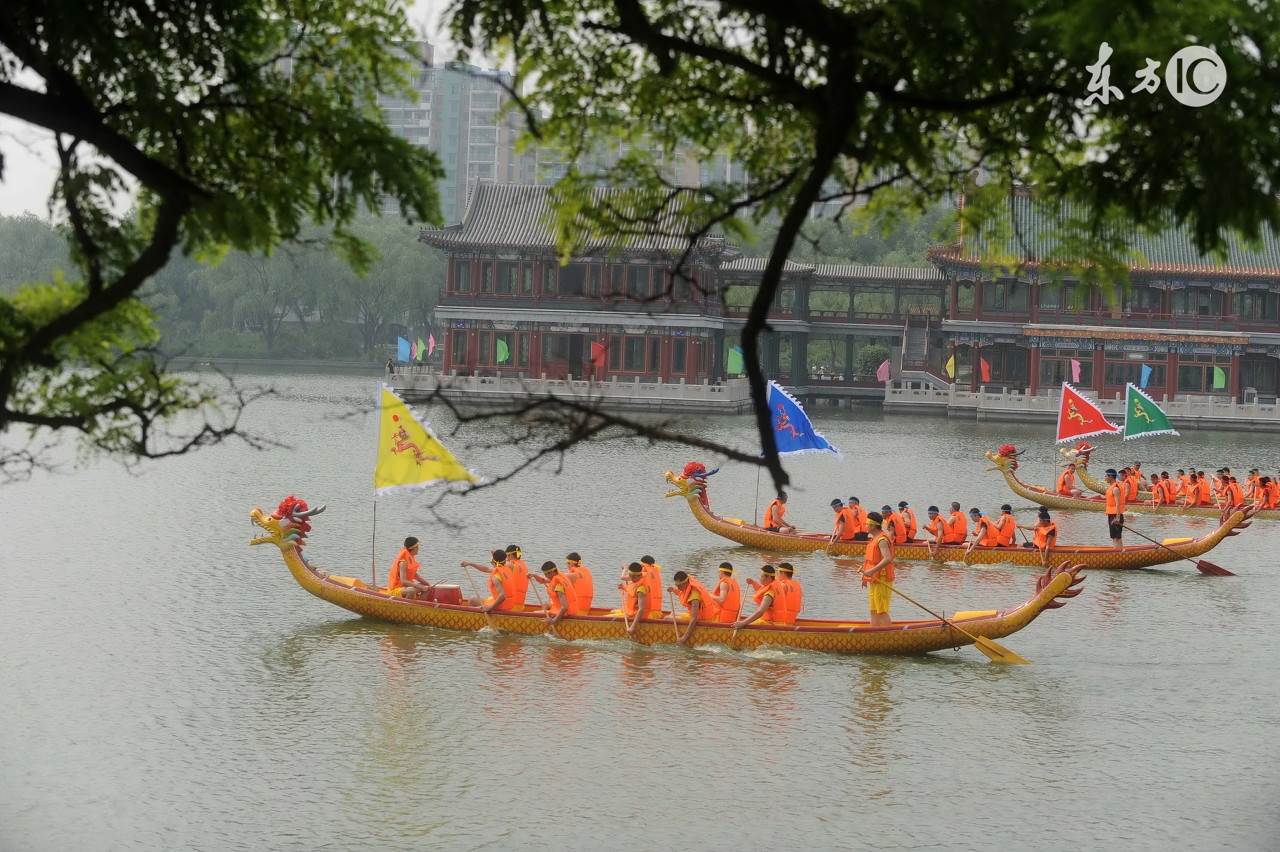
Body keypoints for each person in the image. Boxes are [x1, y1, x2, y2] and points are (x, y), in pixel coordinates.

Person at [861, 512, 895, 628]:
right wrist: (865, 578)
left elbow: (887, 559)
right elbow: (868, 561)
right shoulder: (874, 539)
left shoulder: (882, 540)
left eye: (867, 524)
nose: (865, 526)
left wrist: (871, 571)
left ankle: (890, 635)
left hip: (882, 579)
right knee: (873, 610)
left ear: (872, 526)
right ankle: (873, 633)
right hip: (873, 579)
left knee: (881, 611)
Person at [667, 570, 720, 644]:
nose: (678, 588)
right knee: (672, 613)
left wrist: (684, 637)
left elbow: (694, 619)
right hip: (697, 615)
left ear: (685, 583)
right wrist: (673, 590)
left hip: (701, 619)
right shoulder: (688, 583)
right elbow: (682, 593)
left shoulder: (694, 596)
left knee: (666, 618)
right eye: (676, 585)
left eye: (679, 586)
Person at [532, 561, 580, 625]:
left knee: (534, 614)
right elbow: (542, 580)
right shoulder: (560, 576)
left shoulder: (558, 585)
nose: (545, 576)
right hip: (567, 610)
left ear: (551, 572)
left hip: (565, 613)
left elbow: (565, 607)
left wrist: (554, 620)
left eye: (546, 574)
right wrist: (533, 575)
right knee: (545, 605)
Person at [733, 564, 779, 629]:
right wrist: (753, 583)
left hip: (769, 622)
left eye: (762, 577)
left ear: (769, 578)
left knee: (745, 626)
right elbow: (761, 590)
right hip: (769, 620)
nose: (759, 578)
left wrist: (742, 623)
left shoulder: (769, 594)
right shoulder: (771, 585)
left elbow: (760, 612)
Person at [619, 562, 649, 636]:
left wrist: (632, 627)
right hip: (629, 612)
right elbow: (631, 592)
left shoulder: (641, 589)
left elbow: (641, 609)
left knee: (606, 617)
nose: (632, 579)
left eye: (634, 577)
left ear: (640, 576)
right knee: (612, 611)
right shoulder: (634, 583)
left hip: (634, 615)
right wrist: (623, 587)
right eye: (630, 576)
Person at [504, 544, 531, 610]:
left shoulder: (512, 566)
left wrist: (496, 556)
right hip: (520, 605)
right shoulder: (523, 565)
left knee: (475, 601)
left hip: (510, 605)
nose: (507, 558)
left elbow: (500, 563)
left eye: (508, 556)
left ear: (512, 556)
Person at [1104, 468, 1126, 550]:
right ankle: (1120, 552)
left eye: (1106, 476)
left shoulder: (1115, 489)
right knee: (1116, 537)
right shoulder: (1111, 488)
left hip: (1115, 515)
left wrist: (1118, 518)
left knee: (1116, 537)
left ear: (1110, 477)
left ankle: (1117, 553)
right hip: (1111, 514)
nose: (1105, 478)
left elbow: (1118, 504)